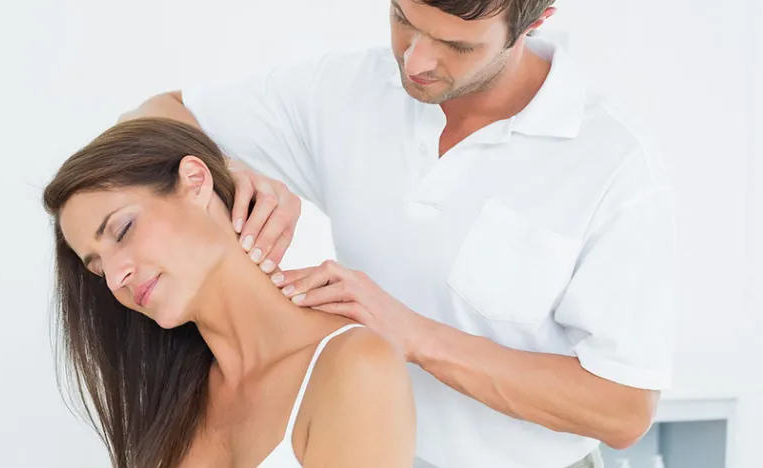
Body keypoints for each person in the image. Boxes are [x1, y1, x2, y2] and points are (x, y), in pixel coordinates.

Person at [120, 1, 678, 467]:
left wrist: (414, 336)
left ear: (535, 22)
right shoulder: (347, 90)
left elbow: (624, 410)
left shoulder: (613, 162)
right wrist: (231, 168)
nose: (416, 61)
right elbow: (150, 117)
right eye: (402, 19)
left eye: (456, 46)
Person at [42, 117, 416, 468]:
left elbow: (163, 103)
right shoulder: (173, 402)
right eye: (98, 267)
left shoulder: (353, 366)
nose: (114, 278)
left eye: (123, 230)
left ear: (195, 181)